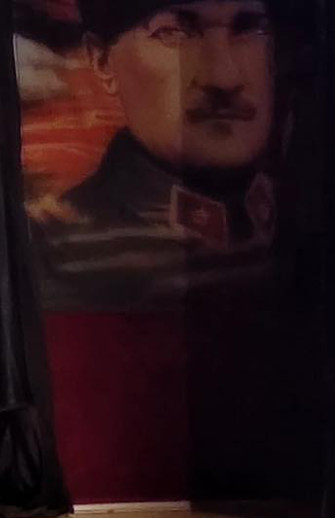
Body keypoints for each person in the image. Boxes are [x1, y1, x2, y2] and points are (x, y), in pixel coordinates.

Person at [29, 0, 280, 310]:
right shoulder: (48, 252)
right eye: (172, 33)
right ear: (102, 60)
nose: (223, 77)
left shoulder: (313, 227)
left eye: (252, 28)